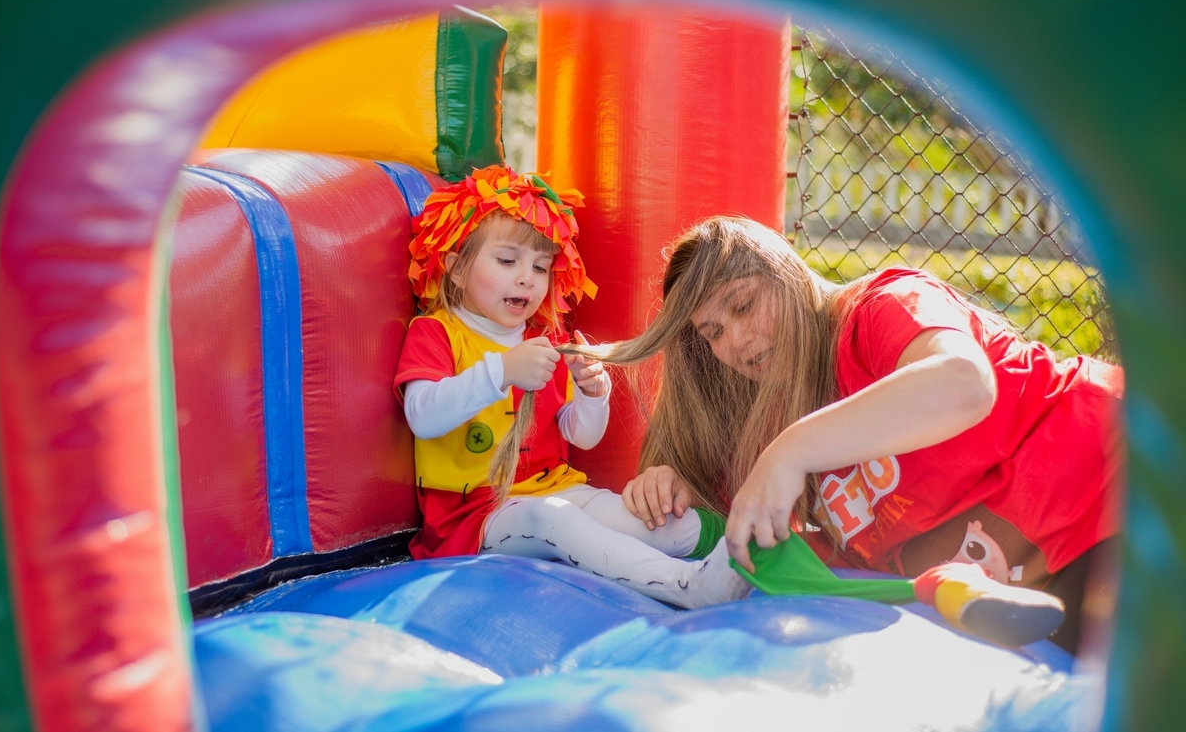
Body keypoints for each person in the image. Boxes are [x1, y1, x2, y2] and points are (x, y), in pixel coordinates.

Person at [577, 216, 1121, 652]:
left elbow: (964, 384)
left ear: (784, 272)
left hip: (1112, 488)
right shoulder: (773, 414)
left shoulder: (879, 308)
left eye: (744, 305)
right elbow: (727, 534)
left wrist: (789, 454)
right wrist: (675, 486)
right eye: (713, 332)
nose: (736, 340)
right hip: (1028, 587)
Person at [393, 166, 748, 609]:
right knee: (552, 520)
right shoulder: (437, 332)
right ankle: (686, 585)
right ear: (457, 268)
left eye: (540, 267)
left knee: (649, 521)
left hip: (560, 489)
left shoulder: (545, 343)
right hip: (475, 517)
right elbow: (423, 417)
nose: (527, 278)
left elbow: (581, 436)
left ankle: (736, 545)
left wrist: (591, 394)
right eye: (507, 261)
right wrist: (501, 371)